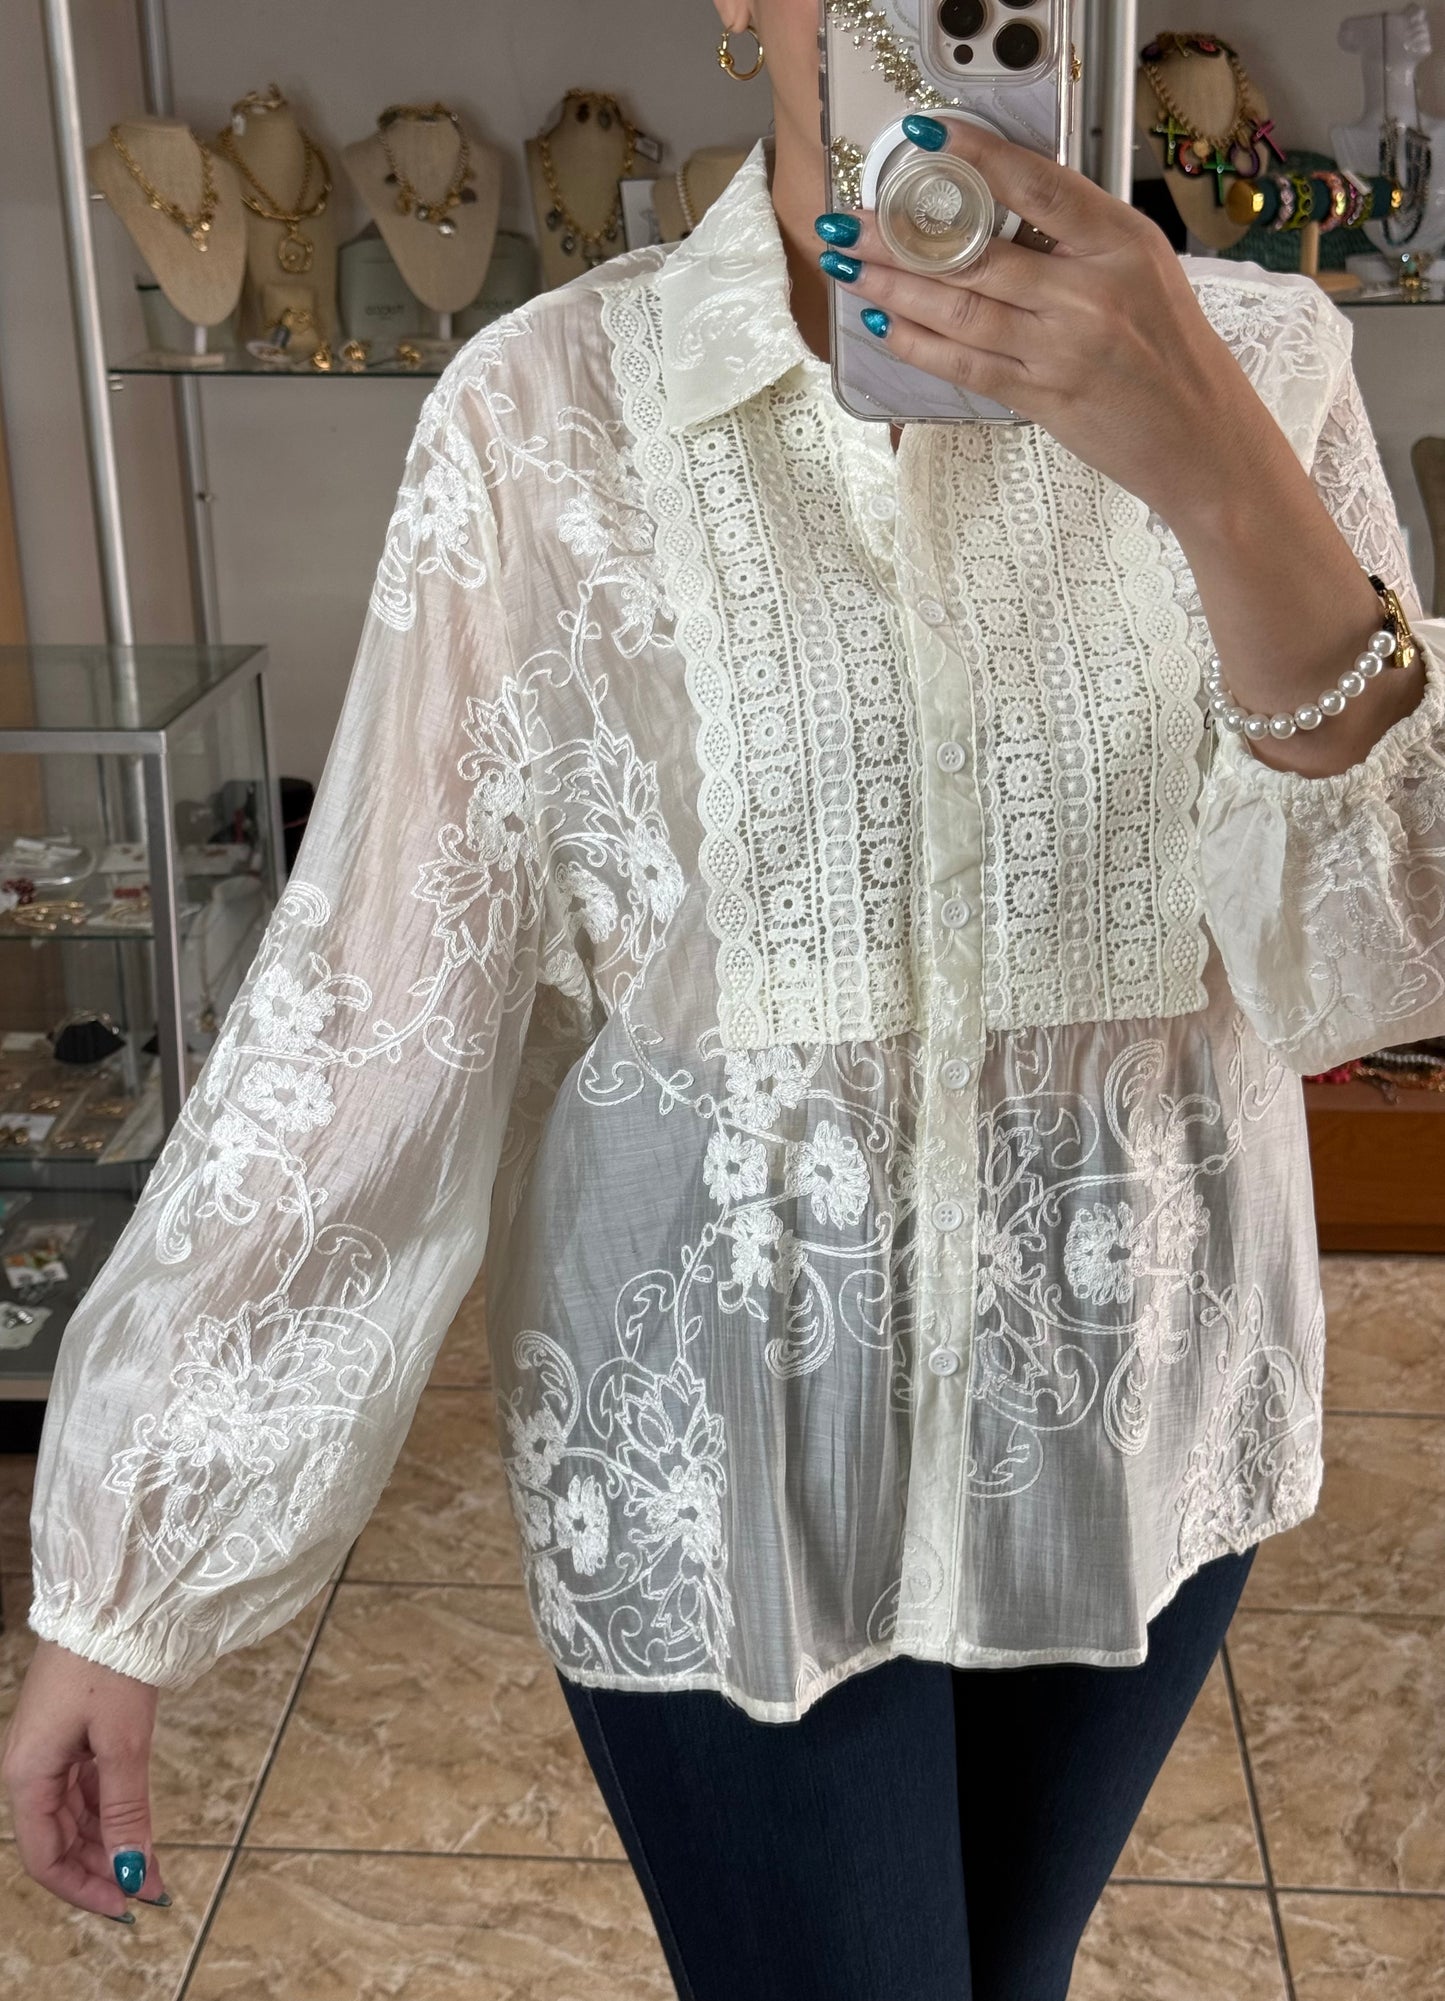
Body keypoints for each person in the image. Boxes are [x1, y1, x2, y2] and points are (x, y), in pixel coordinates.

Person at [6, 3, 1445, 1995]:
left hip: (1134, 1431)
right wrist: (133, 1565)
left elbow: (1374, 956)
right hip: (717, 1463)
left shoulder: (1266, 365)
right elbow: (372, 1004)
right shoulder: (548, 410)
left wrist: (1213, 470)